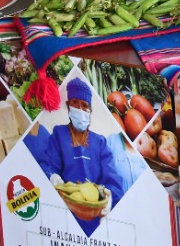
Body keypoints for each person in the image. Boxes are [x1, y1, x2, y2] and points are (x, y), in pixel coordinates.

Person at [37, 78, 124, 235]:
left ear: (90, 110)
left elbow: (114, 179)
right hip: (65, 216)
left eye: (84, 105)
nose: (80, 109)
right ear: (68, 106)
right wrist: (53, 177)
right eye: (75, 103)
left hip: (95, 219)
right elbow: (47, 165)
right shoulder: (59, 134)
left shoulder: (100, 142)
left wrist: (109, 195)